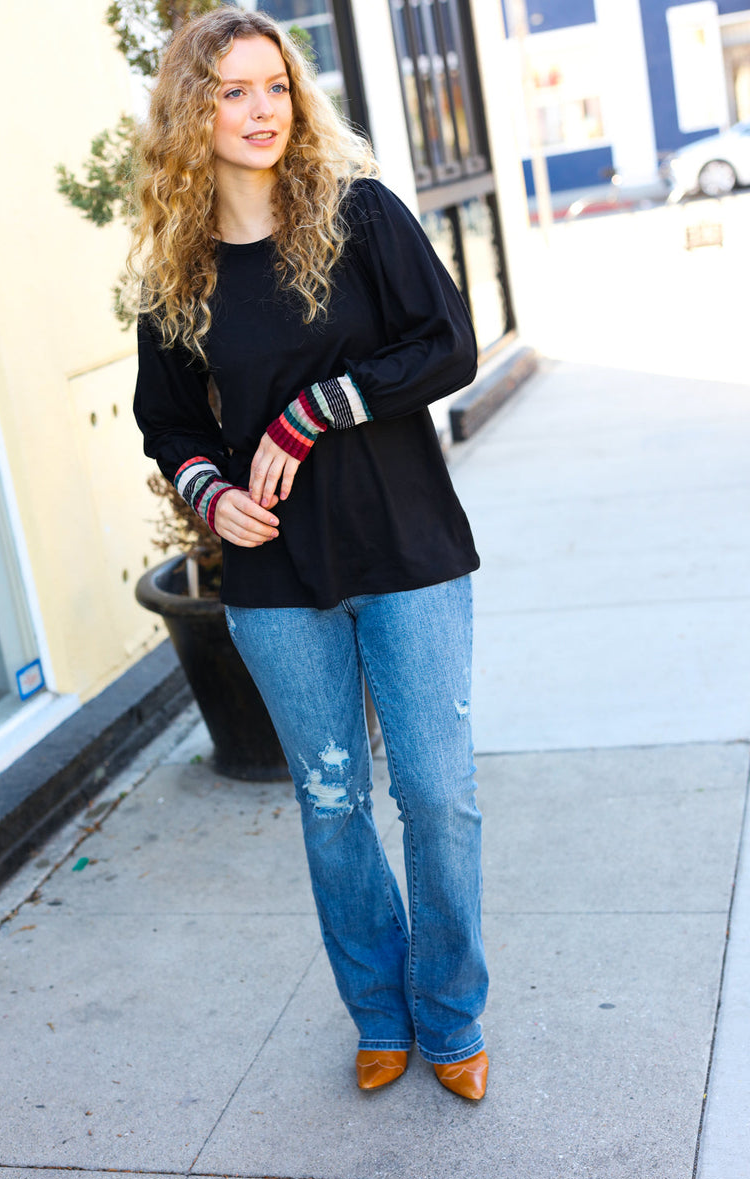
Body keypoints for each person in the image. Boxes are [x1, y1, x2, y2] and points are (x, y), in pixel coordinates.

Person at [132, 7, 489, 1100]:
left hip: (404, 548)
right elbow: (169, 422)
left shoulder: (361, 215)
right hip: (276, 580)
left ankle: (449, 1014)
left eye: (274, 87)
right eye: (232, 91)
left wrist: (312, 411)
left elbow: (447, 347)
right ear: (193, 114)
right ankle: (378, 1014)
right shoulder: (178, 274)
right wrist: (212, 492)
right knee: (331, 803)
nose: (259, 111)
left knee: (434, 795)